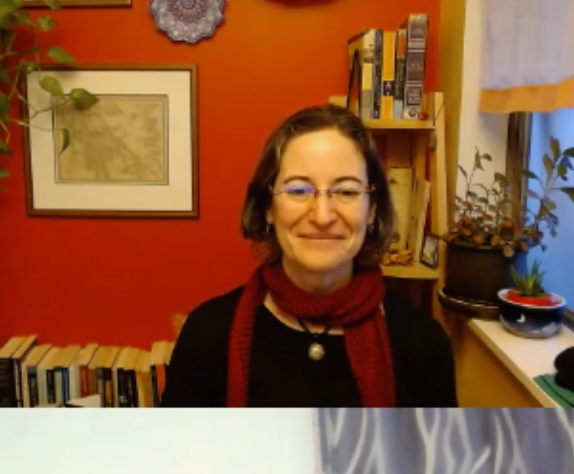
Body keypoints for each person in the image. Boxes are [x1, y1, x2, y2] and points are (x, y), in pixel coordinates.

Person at [164, 105, 457, 407]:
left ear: (371, 209)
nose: (322, 215)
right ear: (268, 207)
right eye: (299, 190)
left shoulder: (424, 345)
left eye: (345, 191)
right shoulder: (207, 334)